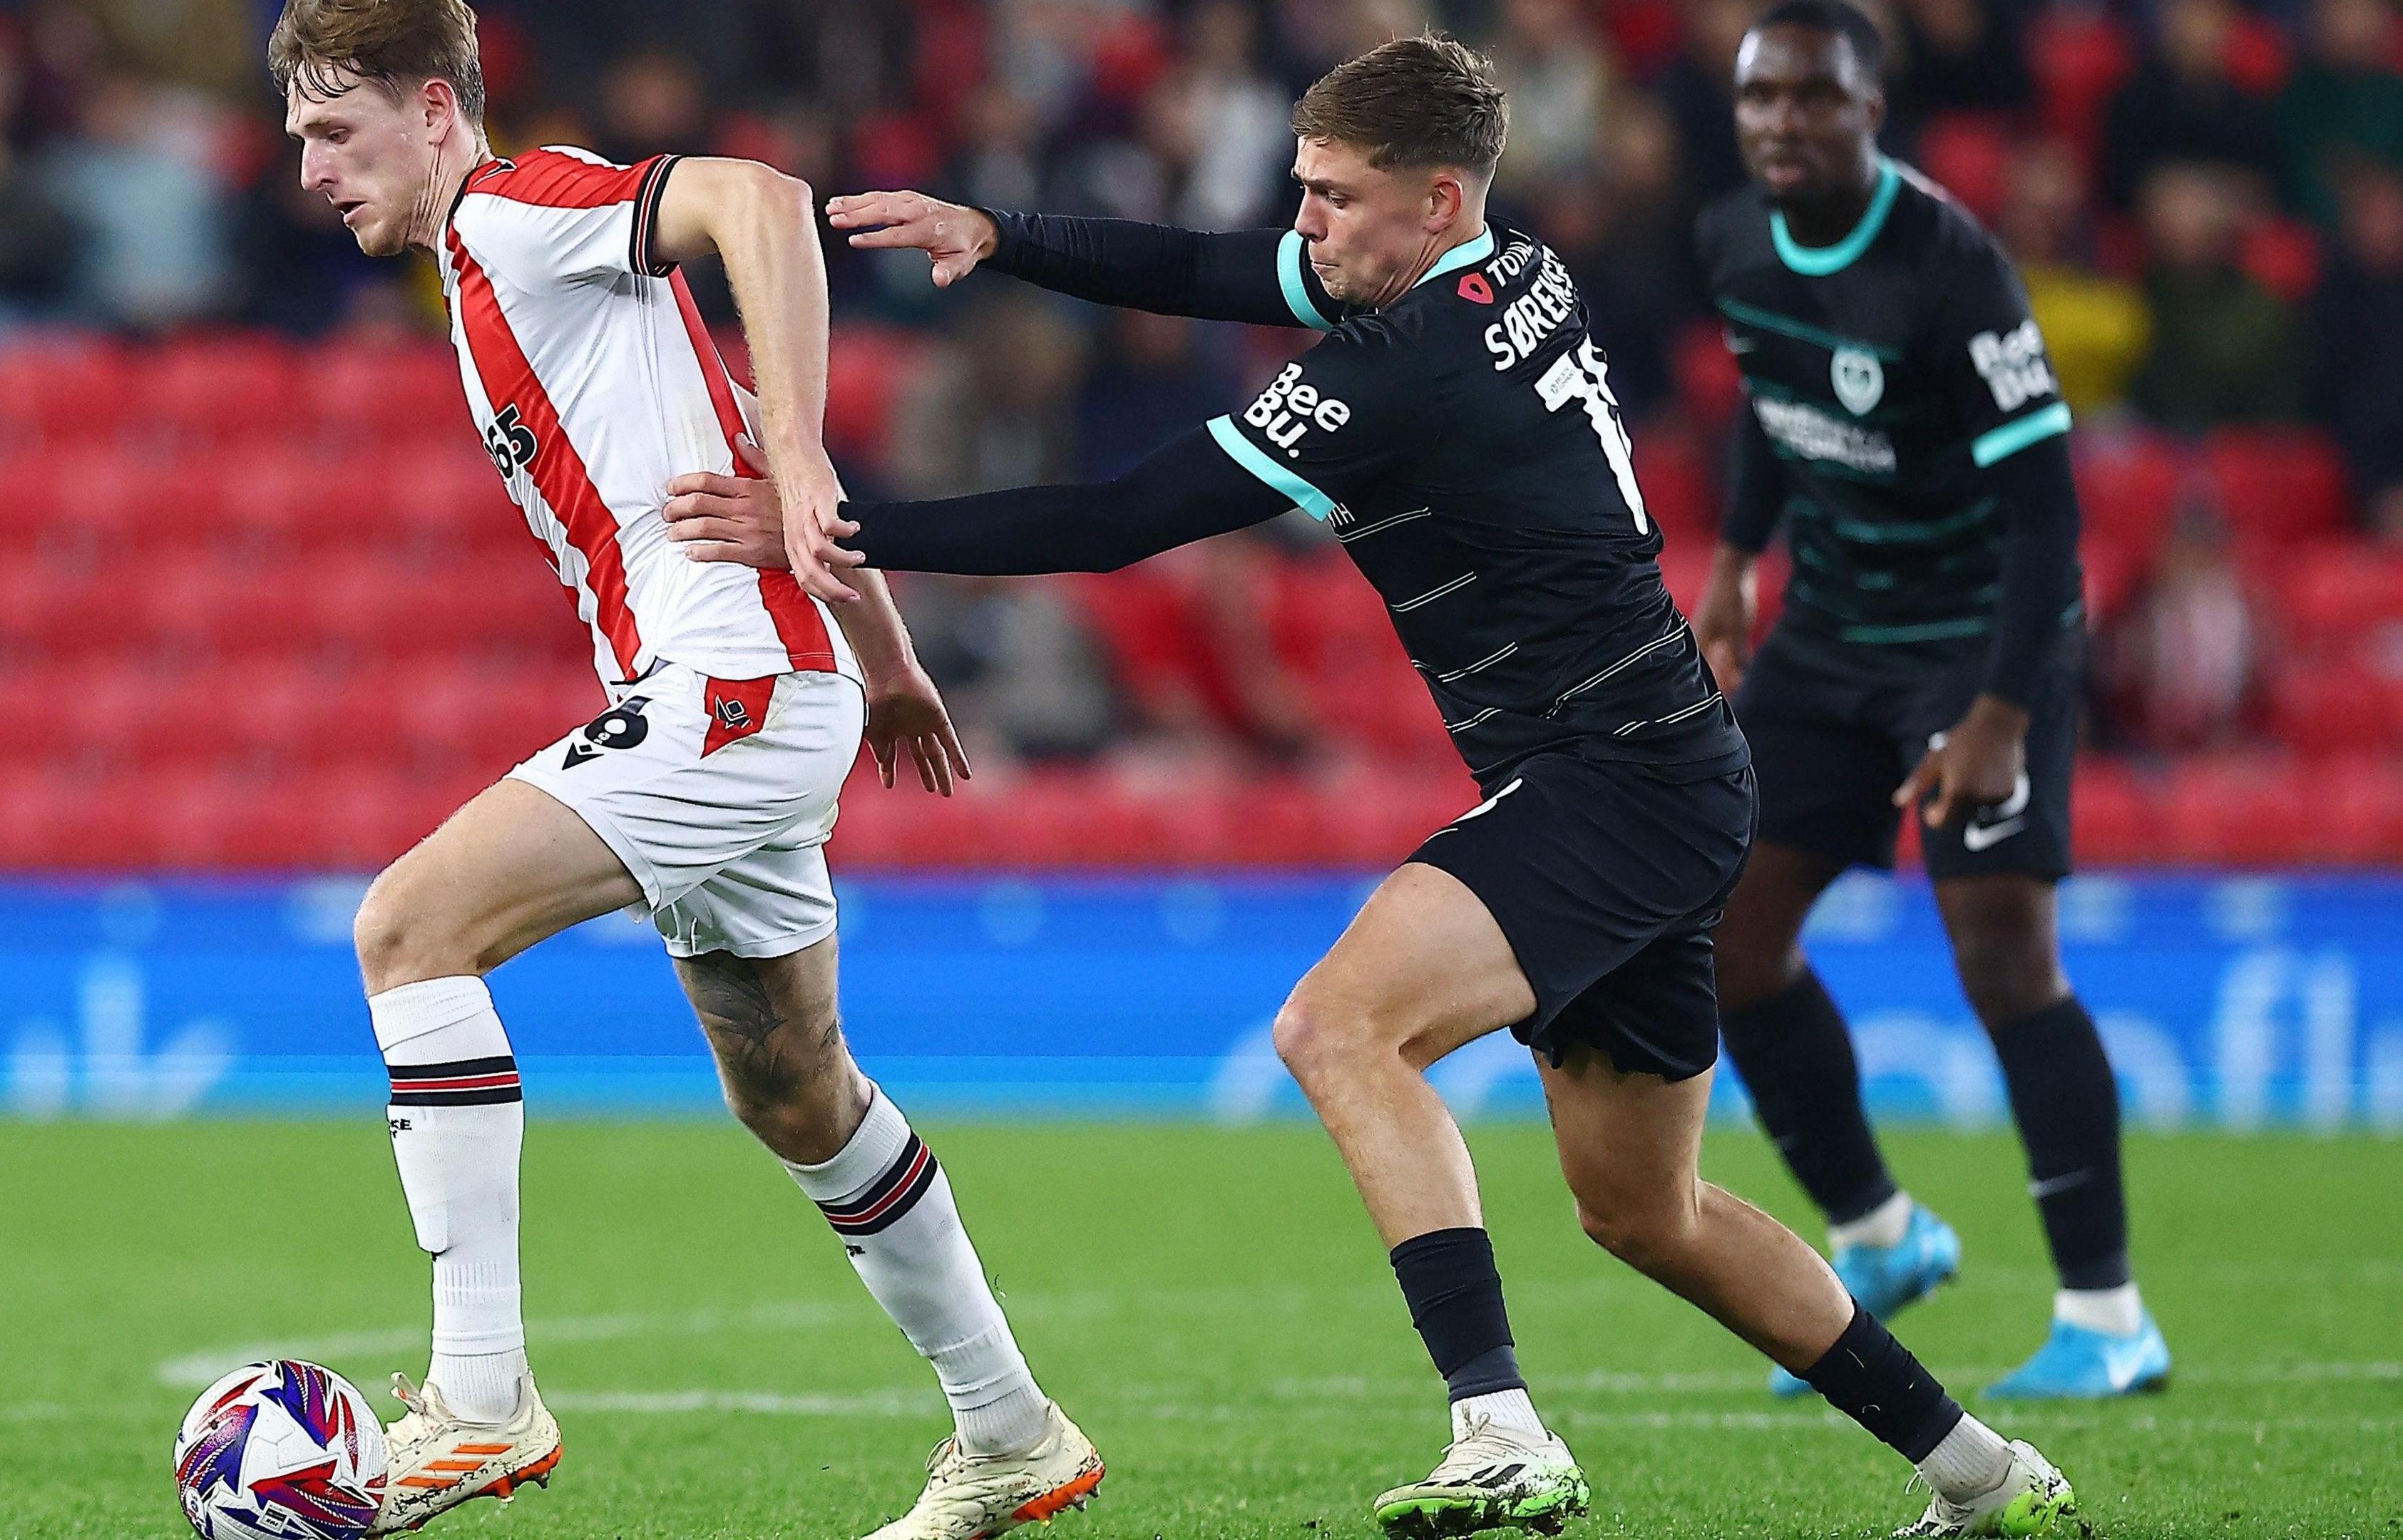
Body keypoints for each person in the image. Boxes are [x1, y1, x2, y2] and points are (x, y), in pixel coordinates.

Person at [668, 33, 2080, 1540]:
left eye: (1335, 198)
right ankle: (1981, 1472)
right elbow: (1216, 269)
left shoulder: (1407, 371)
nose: (1308, 224)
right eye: (1305, 191)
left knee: (1337, 1027)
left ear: (1438, 195)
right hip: (1658, 763)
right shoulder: (1495, 268)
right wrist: (1000, 233)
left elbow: (1119, 519)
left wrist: (829, 532)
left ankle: (1500, 1432)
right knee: (1644, 1213)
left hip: (1609, 773)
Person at [262, 4, 1101, 1536]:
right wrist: (894, 662)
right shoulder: (484, 280)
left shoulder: (517, 214)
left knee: (406, 929)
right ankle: (1010, 1432)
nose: (309, 170)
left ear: (440, 112)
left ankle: (478, 1398)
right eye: (301, 137)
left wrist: (807, 454)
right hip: (768, 685)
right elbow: (713, 450)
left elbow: (759, 202)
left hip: (731, 692)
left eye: (336, 130)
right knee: (797, 1096)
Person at [1689, 0, 2173, 1404]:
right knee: (1727, 935)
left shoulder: (1951, 267)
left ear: (1870, 109)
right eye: (1760, 97)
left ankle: (2107, 1314)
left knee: (2004, 956)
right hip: (1833, 633)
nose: (1783, 120)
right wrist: (1730, 564)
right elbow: (1774, 408)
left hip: (1979, 636)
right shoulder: (1733, 239)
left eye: (1812, 98)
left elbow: (2047, 517)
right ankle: (1880, 1237)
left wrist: (2003, 715)